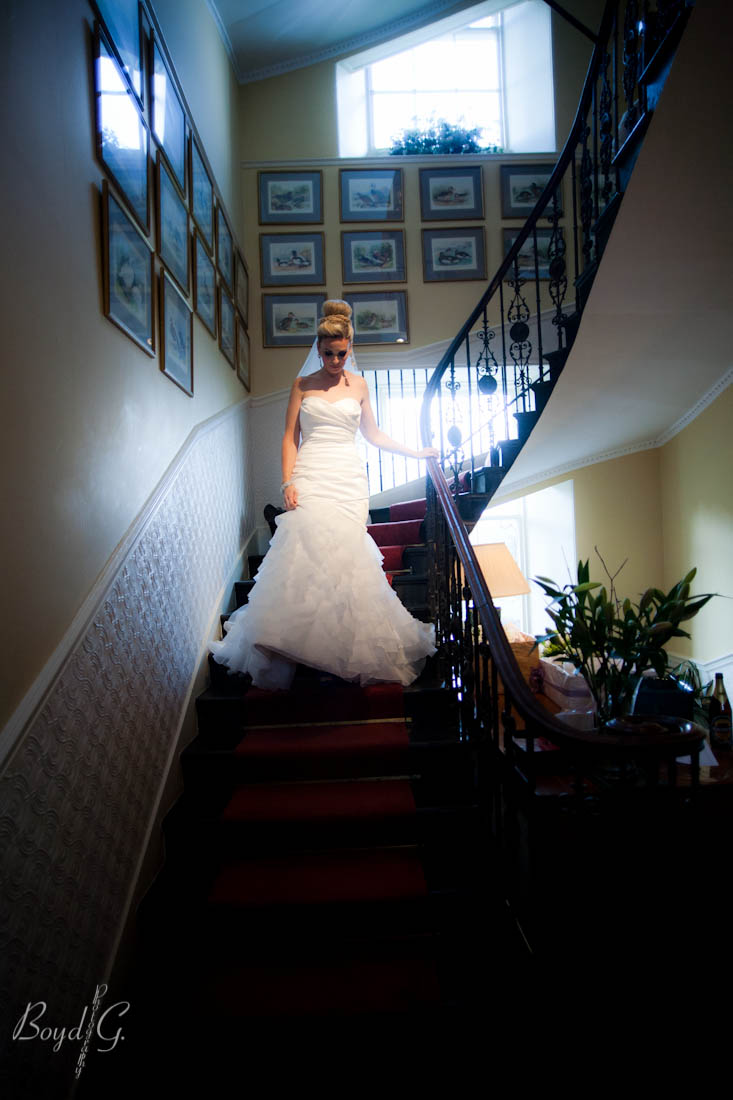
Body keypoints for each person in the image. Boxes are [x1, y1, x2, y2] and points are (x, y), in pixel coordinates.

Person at [210, 300, 439, 692]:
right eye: (329, 353)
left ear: (350, 347)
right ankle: (296, 646)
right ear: (318, 350)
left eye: (342, 352)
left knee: (346, 562)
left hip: (349, 479)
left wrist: (417, 453)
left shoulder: (361, 386)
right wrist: (288, 482)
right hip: (312, 474)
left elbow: (374, 435)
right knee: (306, 554)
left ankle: (336, 651)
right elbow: (289, 437)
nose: (335, 359)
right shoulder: (302, 385)